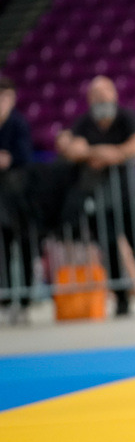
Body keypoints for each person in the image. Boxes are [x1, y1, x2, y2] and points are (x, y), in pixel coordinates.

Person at [55, 76, 135, 316]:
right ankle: (121, 301)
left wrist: (104, 153)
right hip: (99, 198)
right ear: (89, 99)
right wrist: (113, 153)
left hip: (128, 195)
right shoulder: (84, 122)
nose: (101, 98)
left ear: (114, 95)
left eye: (105, 93)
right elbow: (72, 149)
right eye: (96, 94)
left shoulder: (127, 117)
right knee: (109, 249)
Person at [0, 78, 35, 316]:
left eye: (6, 97)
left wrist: (8, 159)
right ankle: (3, 298)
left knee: (24, 247)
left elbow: (24, 156)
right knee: (2, 249)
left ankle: (24, 300)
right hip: (1, 199)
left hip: (19, 196)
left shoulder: (18, 123)